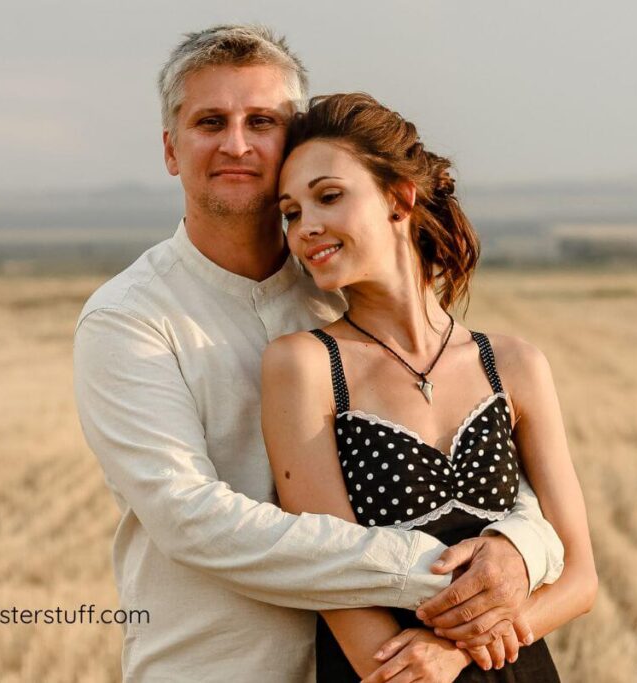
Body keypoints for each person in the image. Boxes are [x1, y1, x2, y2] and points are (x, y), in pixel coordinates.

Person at [73, 26, 566, 681]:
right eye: (210, 122)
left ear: (292, 140)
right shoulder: (129, 317)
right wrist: (438, 570)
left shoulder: (341, 293)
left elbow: (493, 469)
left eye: (262, 121)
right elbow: (192, 519)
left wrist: (516, 549)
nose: (237, 143)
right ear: (171, 149)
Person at [262, 93, 597, 682]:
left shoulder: (513, 364)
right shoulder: (304, 366)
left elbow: (580, 580)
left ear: (399, 199)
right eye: (290, 212)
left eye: (329, 196)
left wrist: (457, 652)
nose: (305, 226)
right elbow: (332, 574)